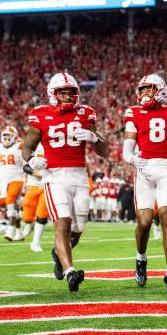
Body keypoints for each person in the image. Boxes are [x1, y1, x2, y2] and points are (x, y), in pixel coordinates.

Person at [22, 72, 108, 292]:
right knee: (63, 223)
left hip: (79, 175)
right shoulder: (40, 114)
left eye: (71, 92)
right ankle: (71, 272)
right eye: (63, 92)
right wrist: (32, 160)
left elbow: (104, 152)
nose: (68, 96)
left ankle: (59, 253)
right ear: (54, 94)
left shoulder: (86, 113)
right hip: (55, 176)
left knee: (78, 228)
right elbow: (27, 147)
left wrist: (95, 138)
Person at [122, 73, 167, 291]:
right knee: (143, 222)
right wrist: (133, 159)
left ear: (161, 90)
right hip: (144, 169)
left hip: (166, 168)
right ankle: (141, 258)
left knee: (166, 218)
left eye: (149, 89)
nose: (144, 93)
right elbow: (127, 149)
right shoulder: (134, 112)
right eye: (142, 89)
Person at [21, 143, 49, 252]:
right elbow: (25, 166)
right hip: (32, 183)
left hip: (47, 183)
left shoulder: (54, 144)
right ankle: (29, 223)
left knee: (42, 213)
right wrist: (35, 173)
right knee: (27, 213)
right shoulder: (32, 145)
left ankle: (35, 242)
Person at [0, 126, 25, 241]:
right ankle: (19, 232)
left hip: (17, 178)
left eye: (9, 136)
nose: (6, 138)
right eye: (4, 135)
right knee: (11, 206)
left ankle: (10, 230)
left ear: (14, 137)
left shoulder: (20, 146)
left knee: (10, 201)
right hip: (3, 180)